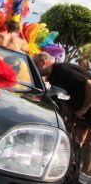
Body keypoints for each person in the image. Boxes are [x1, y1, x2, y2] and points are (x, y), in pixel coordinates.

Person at [33, 52, 91, 181]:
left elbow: (89, 85)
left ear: (42, 62)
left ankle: (84, 177)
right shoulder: (53, 76)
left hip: (87, 106)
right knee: (76, 140)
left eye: (34, 65)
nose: (34, 69)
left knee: (87, 143)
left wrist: (83, 109)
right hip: (81, 108)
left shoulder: (62, 69)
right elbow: (63, 98)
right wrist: (67, 115)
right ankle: (74, 172)